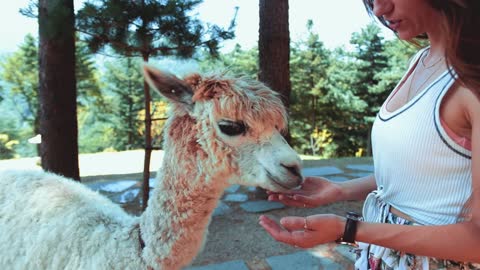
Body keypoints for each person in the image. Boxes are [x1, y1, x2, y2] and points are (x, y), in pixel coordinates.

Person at [259, 0, 480, 269]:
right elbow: (427, 172)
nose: (378, 9)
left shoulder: (471, 80)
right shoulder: (421, 61)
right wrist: (341, 190)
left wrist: (349, 230)